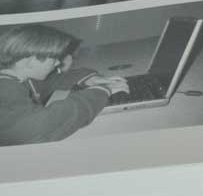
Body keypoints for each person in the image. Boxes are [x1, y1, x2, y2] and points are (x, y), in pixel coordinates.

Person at [0, 24, 130, 146]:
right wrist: (100, 92)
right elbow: (40, 130)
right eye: (53, 58)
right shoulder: (6, 90)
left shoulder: (19, 78)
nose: (58, 63)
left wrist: (88, 79)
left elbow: (49, 82)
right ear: (31, 62)